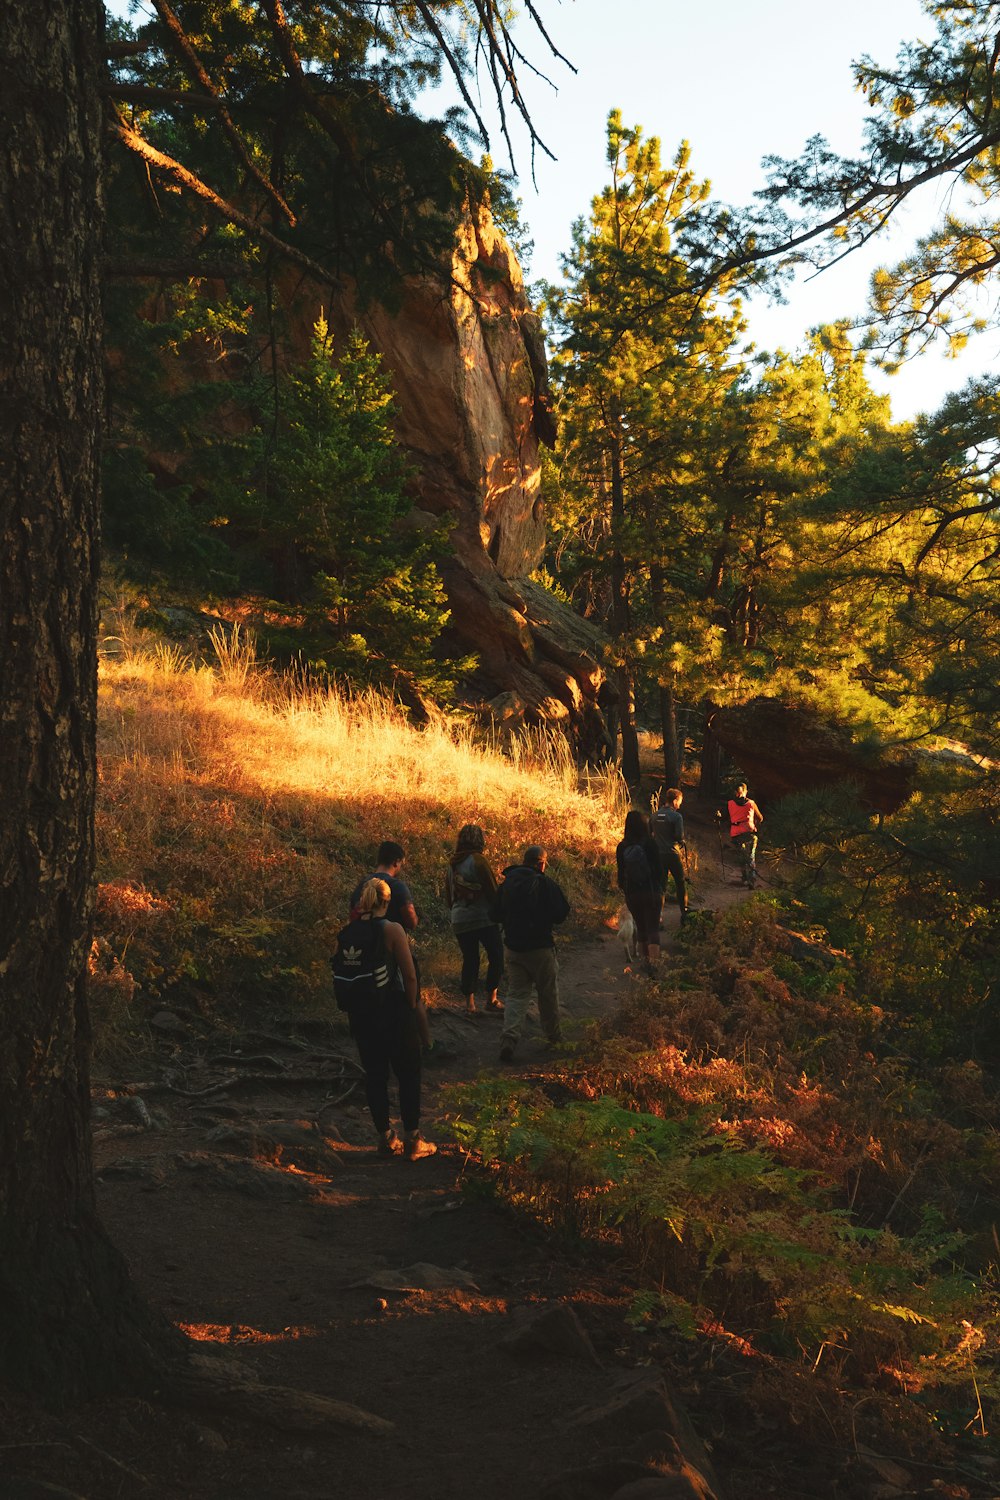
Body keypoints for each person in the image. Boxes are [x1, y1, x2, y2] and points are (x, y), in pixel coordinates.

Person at [331, 878, 436, 1160]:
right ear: (387, 902)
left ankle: (385, 1137)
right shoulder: (392, 929)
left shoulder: (350, 931)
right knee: (408, 1073)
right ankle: (413, 1139)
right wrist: (412, 1005)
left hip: (361, 1015)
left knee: (375, 1076)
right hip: (393, 1013)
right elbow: (410, 974)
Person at [496, 845, 570, 1063]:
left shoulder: (507, 882)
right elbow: (561, 913)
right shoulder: (545, 883)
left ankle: (509, 1039)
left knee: (516, 994)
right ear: (541, 863)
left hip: (513, 948)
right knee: (547, 994)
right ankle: (554, 1038)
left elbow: (494, 912)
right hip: (541, 949)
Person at [444, 823, 503, 1013]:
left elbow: (448, 898)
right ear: (480, 840)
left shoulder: (452, 865)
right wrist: (501, 912)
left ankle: (469, 1004)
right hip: (483, 919)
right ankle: (491, 999)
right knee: (496, 956)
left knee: (470, 959)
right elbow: (493, 891)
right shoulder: (479, 861)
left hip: (460, 919)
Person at [616, 809, 663, 971]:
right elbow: (659, 869)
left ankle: (645, 963)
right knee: (653, 929)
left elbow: (620, 874)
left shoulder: (622, 846)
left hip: (633, 895)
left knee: (641, 928)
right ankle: (655, 966)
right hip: (651, 891)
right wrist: (660, 889)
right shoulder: (650, 843)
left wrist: (627, 891)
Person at [649, 787, 688, 926]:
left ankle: (658, 918)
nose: (680, 805)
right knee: (680, 882)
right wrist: (682, 841)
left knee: (661, 886)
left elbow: (650, 835)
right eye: (680, 802)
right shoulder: (677, 817)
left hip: (658, 855)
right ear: (675, 801)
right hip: (672, 853)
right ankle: (684, 915)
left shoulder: (654, 815)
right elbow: (678, 836)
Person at [727, 781, 764, 888]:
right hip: (750, 833)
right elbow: (760, 818)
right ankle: (752, 880)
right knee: (751, 856)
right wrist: (754, 823)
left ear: (735, 792)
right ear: (745, 791)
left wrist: (718, 817)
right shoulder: (751, 803)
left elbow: (724, 817)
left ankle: (744, 879)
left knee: (741, 856)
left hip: (736, 834)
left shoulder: (730, 803)